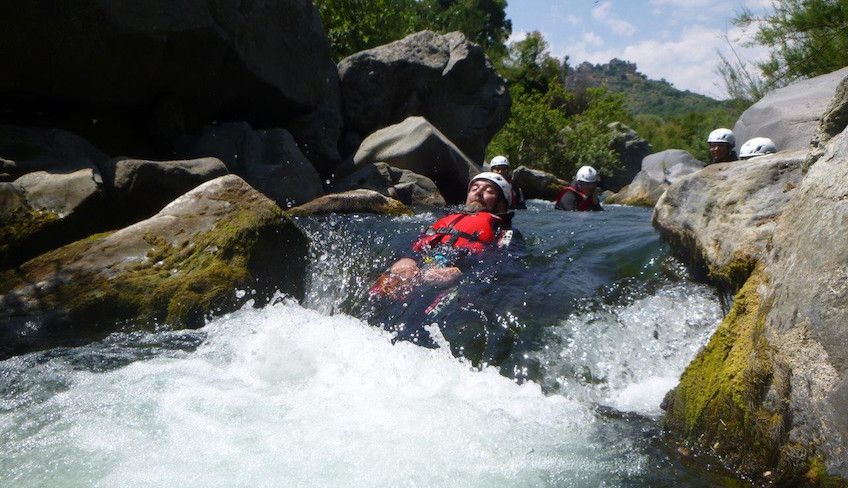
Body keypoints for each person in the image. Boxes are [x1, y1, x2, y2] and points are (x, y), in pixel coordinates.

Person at [371, 172, 517, 300]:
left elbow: (500, 262)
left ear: (502, 204)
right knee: (389, 280)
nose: (478, 193)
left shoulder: (504, 230)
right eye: (474, 188)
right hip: (425, 259)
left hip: (461, 267)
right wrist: (407, 259)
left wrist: (462, 271)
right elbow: (420, 243)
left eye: (489, 191)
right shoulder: (448, 218)